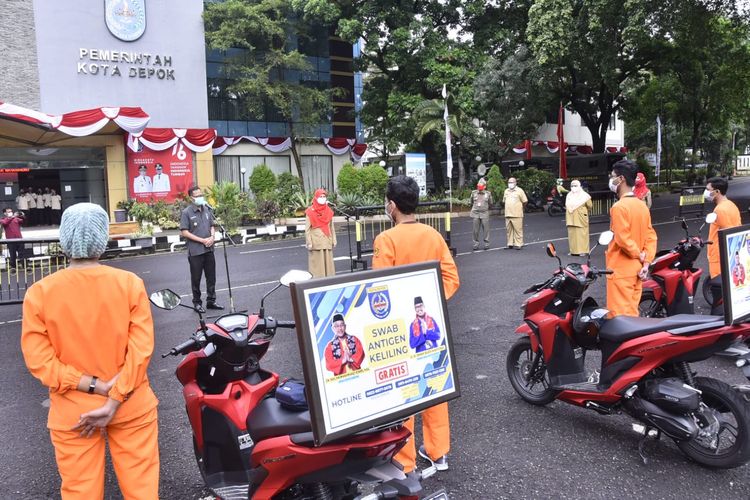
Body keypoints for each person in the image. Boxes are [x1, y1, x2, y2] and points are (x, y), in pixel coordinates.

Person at [20, 203, 160, 499]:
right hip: (131, 405)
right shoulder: (129, 284)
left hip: (74, 412)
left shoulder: (40, 293)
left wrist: (93, 386)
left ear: (64, 239)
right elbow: (140, 350)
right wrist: (114, 397)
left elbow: (40, 361)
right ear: (103, 237)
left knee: (80, 492)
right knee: (142, 490)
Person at [372, 175, 460, 474]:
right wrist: (431, 306)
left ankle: (405, 461)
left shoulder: (386, 240)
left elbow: (378, 289)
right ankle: (438, 452)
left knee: (406, 393)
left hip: (403, 331)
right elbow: (451, 278)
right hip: (432, 327)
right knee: (435, 387)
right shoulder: (433, 236)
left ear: (392, 205)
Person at [605, 160, 658, 317]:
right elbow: (651, 236)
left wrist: (637, 254)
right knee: (632, 314)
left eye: (612, 176)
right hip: (638, 269)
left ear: (621, 179)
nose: (611, 179)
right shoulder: (641, 205)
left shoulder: (619, 207)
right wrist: (646, 261)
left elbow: (622, 239)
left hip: (620, 269)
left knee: (619, 318)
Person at [180, 186, 223, 314]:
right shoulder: (187, 212)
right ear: (191, 198)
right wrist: (202, 240)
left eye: (201, 195)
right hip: (196, 251)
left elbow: (212, 226)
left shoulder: (206, 209)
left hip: (209, 249)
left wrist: (212, 237)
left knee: (211, 277)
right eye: (197, 196)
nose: (200, 197)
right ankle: (197, 303)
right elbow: (184, 232)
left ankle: (211, 301)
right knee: (196, 279)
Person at [705, 176, 741, 314]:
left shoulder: (720, 210)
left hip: (719, 258)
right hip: (728, 257)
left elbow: (727, 234)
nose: (706, 192)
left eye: (708, 190)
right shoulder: (731, 205)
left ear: (717, 191)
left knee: (719, 295)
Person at [305, 188, 336, 277]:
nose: (322, 198)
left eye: (324, 196)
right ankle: (317, 283)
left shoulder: (328, 211)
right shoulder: (310, 211)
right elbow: (307, 229)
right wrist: (309, 242)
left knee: (328, 265)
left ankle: (329, 281)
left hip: (327, 240)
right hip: (316, 243)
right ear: (316, 197)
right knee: (317, 266)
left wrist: (334, 240)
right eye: (320, 196)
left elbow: (331, 227)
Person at [565, 180, 592, 256]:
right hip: (571, 218)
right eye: (572, 186)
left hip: (581, 218)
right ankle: (573, 251)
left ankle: (583, 251)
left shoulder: (585, 195)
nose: (573, 187)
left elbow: (589, 206)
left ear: (580, 186)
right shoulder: (569, 195)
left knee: (582, 234)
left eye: (575, 185)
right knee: (572, 235)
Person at [503, 177, 527, 249]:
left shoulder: (519, 191)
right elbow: (504, 201)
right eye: (509, 182)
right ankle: (510, 244)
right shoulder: (506, 191)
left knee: (518, 230)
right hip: (508, 214)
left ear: (515, 183)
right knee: (508, 231)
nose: (510, 184)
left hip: (517, 214)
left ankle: (519, 244)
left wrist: (521, 208)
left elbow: (525, 201)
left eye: (512, 182)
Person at [470, 178, 492, 251]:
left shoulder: (488, 194)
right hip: (476, 213)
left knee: (486, 230)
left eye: (481, 186)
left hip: (484, 213)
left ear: (485, 186)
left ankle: (486, 244)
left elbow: (490, 203)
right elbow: (471, 202)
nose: (479, 187)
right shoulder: (474, 193)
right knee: (475, 230)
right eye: (478, 185)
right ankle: (475, 244)